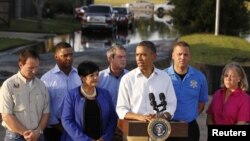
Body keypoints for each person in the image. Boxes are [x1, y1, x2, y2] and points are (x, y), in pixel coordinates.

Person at [116, 40, 177, 141]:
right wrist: (141, 117)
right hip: (135, 133)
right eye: (137, 55)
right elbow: (121, 109)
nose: (139, 58)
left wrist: (161, 116)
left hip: (159, 131)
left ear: (154, 56)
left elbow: (171, 104)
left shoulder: (164, 77)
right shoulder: (127, 79)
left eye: (143, 55)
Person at [0, 49, 49, 141]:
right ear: (21, 65)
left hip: (38, 136)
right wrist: (27, 134)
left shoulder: (42, 85)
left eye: (36, 67)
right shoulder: (8, 85)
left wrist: (37, 132)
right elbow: (6, 116)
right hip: (15, 137)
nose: (34, 71)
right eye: (31, 68)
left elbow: (46, 113)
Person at [61, 61, 117, 141]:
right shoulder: (72, 95)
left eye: (97, 75)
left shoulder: (105, 94)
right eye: (91, 75)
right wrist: (85, 140)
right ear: (82, 78)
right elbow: (66, 120)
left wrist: (105, 138)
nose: (95, 78)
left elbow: (112, 118)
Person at [164, 41, 208, 141]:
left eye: (185, 54)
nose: (182, 57)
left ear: (190, 56)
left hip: (190, 128)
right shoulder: (162, 76)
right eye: (179, 54)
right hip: (167, 127)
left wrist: (189, 115)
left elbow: (201, 103)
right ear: (173, 56)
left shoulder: (200, 77)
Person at [40, 42, 81, 141]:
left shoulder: (79, 76)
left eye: (71, 54)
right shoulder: (46, 79)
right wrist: (60, 126)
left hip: (77, 126)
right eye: (65, 55)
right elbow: (45, 106)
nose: (69, 58)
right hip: (54, 129)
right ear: (56, 57)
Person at [98, 44, 128, 141]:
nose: (123, 59)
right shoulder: (99, 78)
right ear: (111, 58)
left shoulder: (132, 77)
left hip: (126, 124)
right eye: (120, 57)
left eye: (124, 57)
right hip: (104, 125)